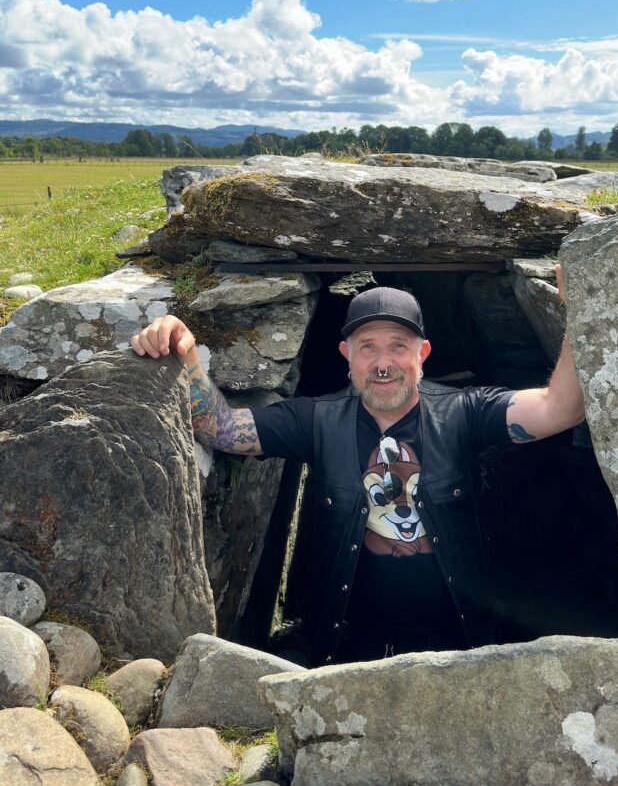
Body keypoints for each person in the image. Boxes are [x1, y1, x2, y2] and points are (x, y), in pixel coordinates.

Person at [131, 272, 585, 665]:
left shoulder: (463, 411)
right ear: (346, 353)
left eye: (398, 346)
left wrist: (579, 306)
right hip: (348, 643)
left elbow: (558, 409)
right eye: (368, 347)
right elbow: (221, 429)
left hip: (458, 639)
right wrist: (181, 346)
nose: (383, 363)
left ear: (422, 352)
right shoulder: (315, 420)